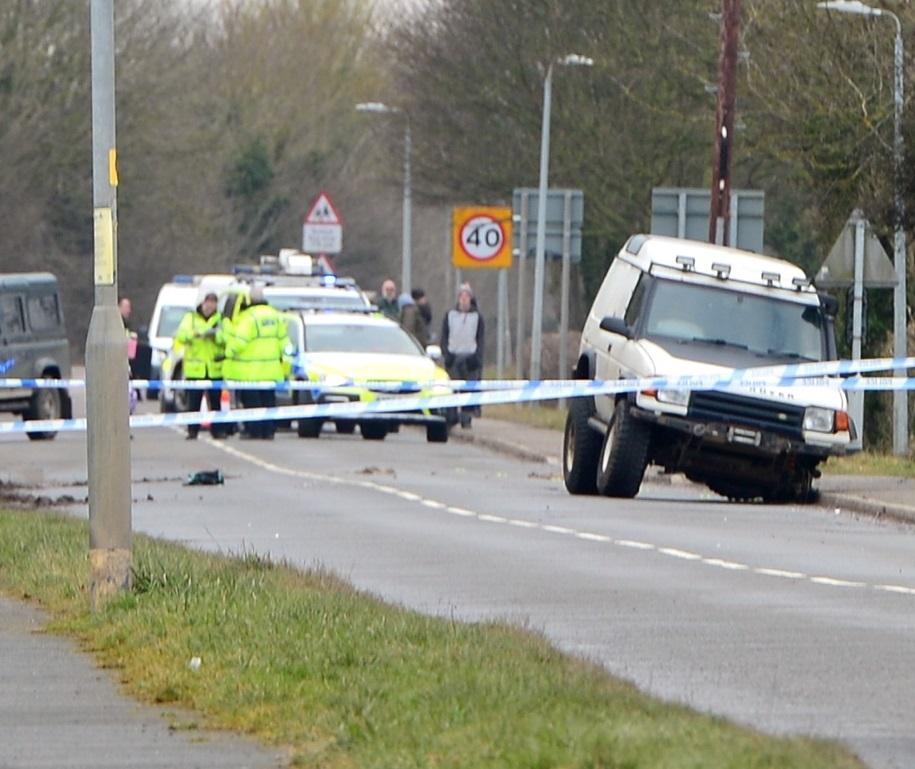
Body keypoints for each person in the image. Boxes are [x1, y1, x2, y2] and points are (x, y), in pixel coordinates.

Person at [225, 287, 289, 440]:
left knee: (252, 404)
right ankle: (269, 431)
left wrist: (227, 352)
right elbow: (284, 343)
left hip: (250, 371)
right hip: (272, 370)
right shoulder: (276, 316)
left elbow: (239, 342)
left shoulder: (249, 318)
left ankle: (253, 431)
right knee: (268, 402)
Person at [174, 292, 226, 440]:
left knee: (215, 403)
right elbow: (181, 335)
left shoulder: (221, 319)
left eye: (213, 303)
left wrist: (215, 336)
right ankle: (192, 430)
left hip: (214, 369)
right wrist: (195, 334)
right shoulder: (191, 318)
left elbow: (226, 337)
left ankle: (218, 431)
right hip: (195, 369)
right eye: (208, 303)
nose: (210, 306)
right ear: (203, 303)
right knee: (194, 403)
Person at [441, 285, 484, 427]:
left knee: (468, 391)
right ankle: (451, 418)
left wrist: (476, 358)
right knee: (453, 390)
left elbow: (480, 339)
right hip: (454, 357)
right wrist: (447, 356)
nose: (464, 299)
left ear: (470, 299)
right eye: (462, 296)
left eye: (467, 296)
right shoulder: (450, 315)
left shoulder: (477, 317)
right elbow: (444, 336)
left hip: (470, 359)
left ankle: (466, 419)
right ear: (458, 298)